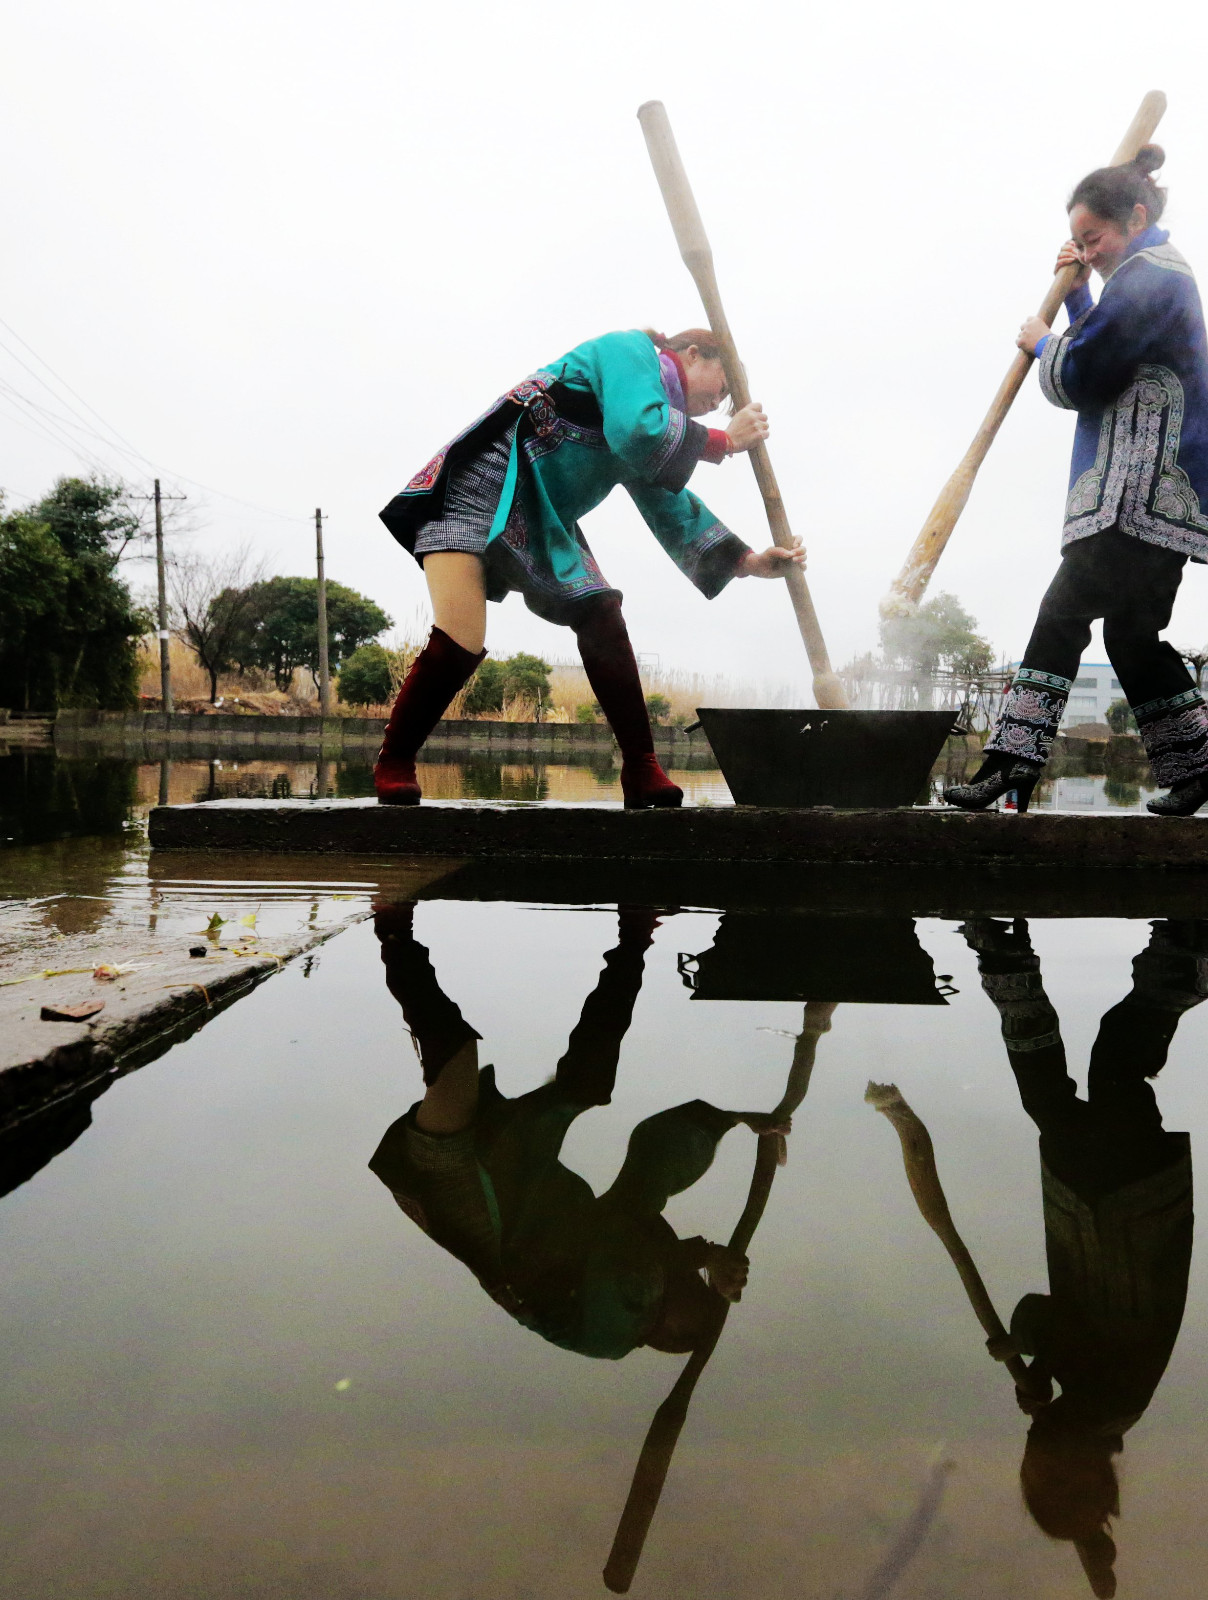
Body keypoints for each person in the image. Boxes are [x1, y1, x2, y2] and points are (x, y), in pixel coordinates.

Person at [372, 328, 803, 808]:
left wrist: (748, 562)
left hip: (542, 515)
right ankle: (394, 761)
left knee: (602, 614)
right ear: (692, 353)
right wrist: (724, 441)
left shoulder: (655, 426)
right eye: (719, 389)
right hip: (481, 485)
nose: (713, 403)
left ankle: (641, 769)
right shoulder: (630, 351)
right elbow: (636, 429)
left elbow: (671, 505)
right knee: (461, 637)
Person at [945, 147, 1208, 818]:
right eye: (1077, 241)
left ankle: (1009, 762)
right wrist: (1078, 291)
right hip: (1160, 500)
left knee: (1061, 616)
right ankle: (1204, 769)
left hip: (1132, 495)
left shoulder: (1149, 276)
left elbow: (1084, 373)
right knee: (1130, 637)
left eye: (1092, 238)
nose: (1087, 249)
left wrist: (1041, 340)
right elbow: (1109, 340)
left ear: (1133, 218)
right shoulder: (1149, 275)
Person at [367, 902, 787, 1358]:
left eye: (698, 1315)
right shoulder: (654, 1265)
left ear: (669, 1334)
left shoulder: (610, 1334)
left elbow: (623, 1264)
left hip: (462, 1188)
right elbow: (650, 1175)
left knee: (454, 1055)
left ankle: (393, 932)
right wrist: (731, 1119)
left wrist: (708, 1257)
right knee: (587, 1082)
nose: (704, 1298)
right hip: (516, 1164)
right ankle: (635, 936)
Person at [962, 915, 1208, 1597]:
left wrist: (1035, 1362)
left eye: (1030, 1469)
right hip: (1126, 1198)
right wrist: (1032, 1361)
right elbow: (1057, 1330)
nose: (1031, 1456)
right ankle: (1183, 958)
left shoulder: (1090, 1403)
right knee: (1112, 1066)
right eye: (1045, 1471)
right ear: (1090, 1468)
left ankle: (1011, 963)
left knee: (1062, 1092)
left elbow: (1043, 1312)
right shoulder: (1111, 1403)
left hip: (1088, 1198)